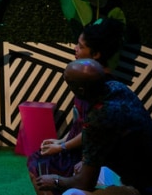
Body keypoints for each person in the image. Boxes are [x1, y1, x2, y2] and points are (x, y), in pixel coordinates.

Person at [35, 59, 152, 195]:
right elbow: (104, 137)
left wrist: (55, 180)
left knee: (72, 193)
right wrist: (63, 144)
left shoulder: (100, 117)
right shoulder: (118, 88)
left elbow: (84, 183)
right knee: (79, 170)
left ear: (80, 91)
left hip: (148, 190)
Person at [27, 17, 126, 194]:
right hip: (81, 149)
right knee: (38, 160)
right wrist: (61, 141)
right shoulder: (87, 81)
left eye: (80, 46)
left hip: (92, 155)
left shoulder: (103, 90)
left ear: (96, 54)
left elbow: (94, 133)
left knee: (47, 169)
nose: (75, 49)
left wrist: (64, 147)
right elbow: (79, 122)